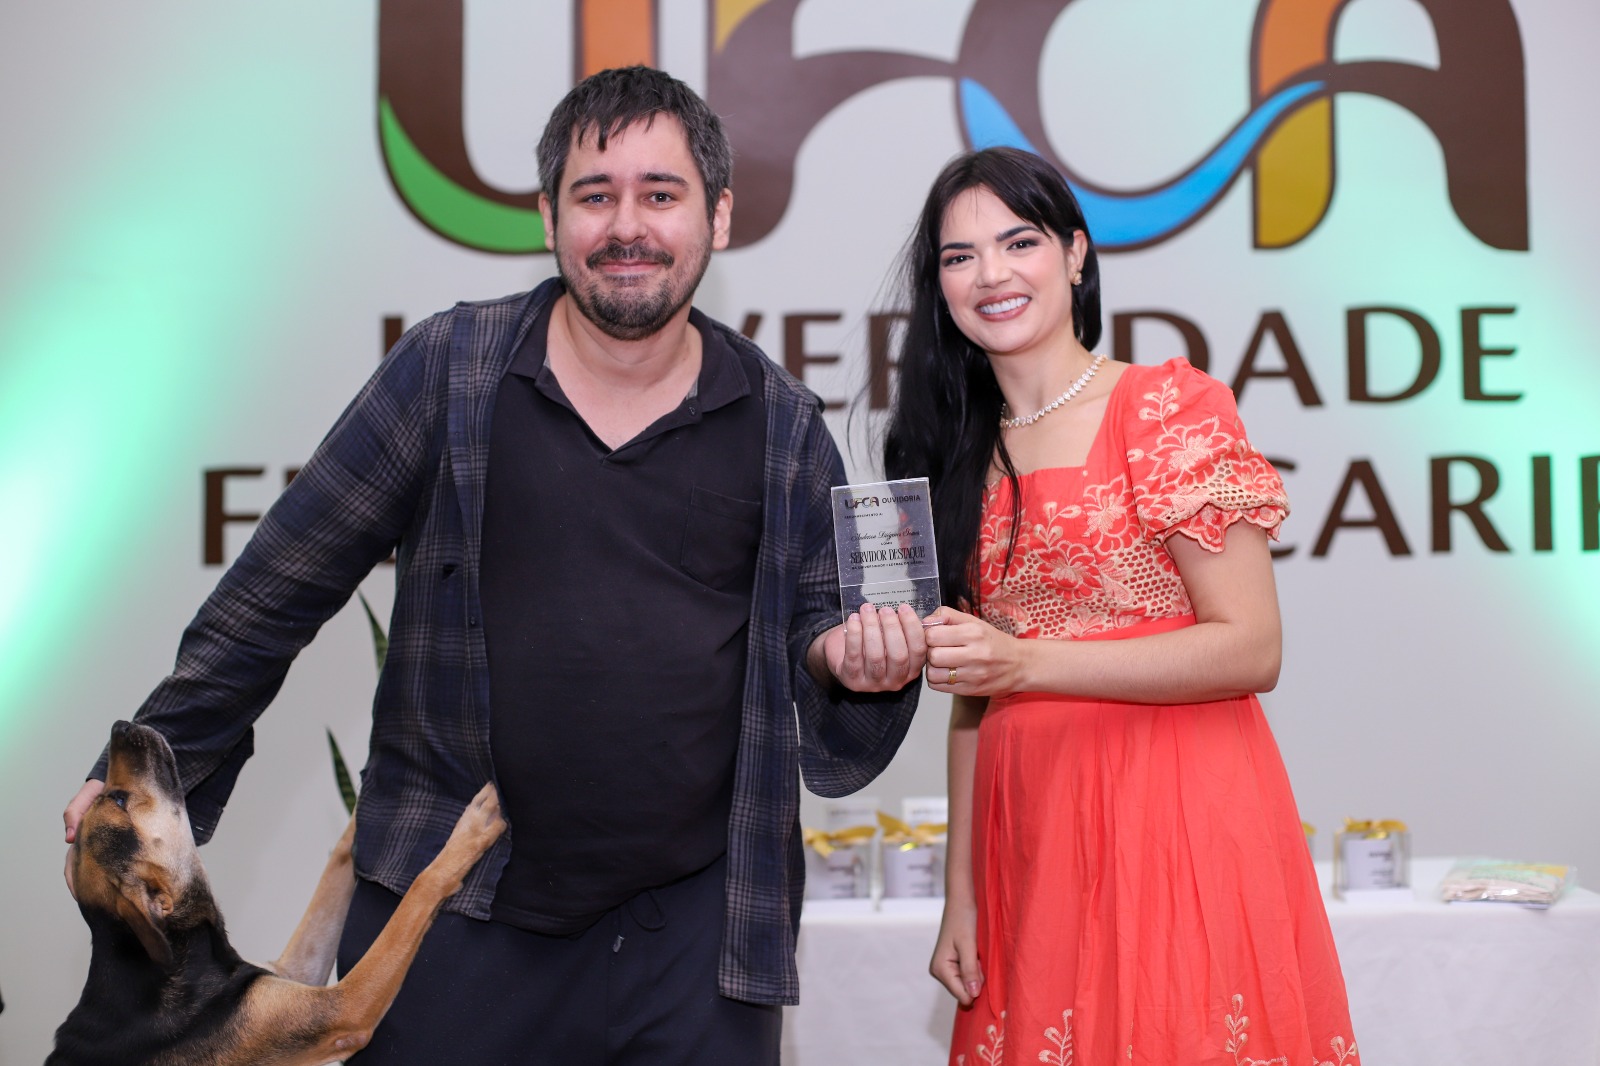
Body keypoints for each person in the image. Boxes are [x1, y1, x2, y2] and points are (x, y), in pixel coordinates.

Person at [62, 65, 927, 1063]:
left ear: (718, 216)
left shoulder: (779, 423)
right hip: (452, 927)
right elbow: (274, 590)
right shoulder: (448, 372)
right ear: (549, 216)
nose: (626, 226)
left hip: (691, 948)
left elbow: (818, 623)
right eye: (594, 196)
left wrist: (847, 660)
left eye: (661, 194)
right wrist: (137, 775)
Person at [883, 147, 1358, 1065]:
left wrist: (1028, 662)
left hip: (1172, 807)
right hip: (1031, 831)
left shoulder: (1167, 407)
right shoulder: (950, 448)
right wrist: (962, 894)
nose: (991, 275)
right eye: (959, 256)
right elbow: (974, 694)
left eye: (1019, 242)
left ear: (1074, 255)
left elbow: (1251, 647)